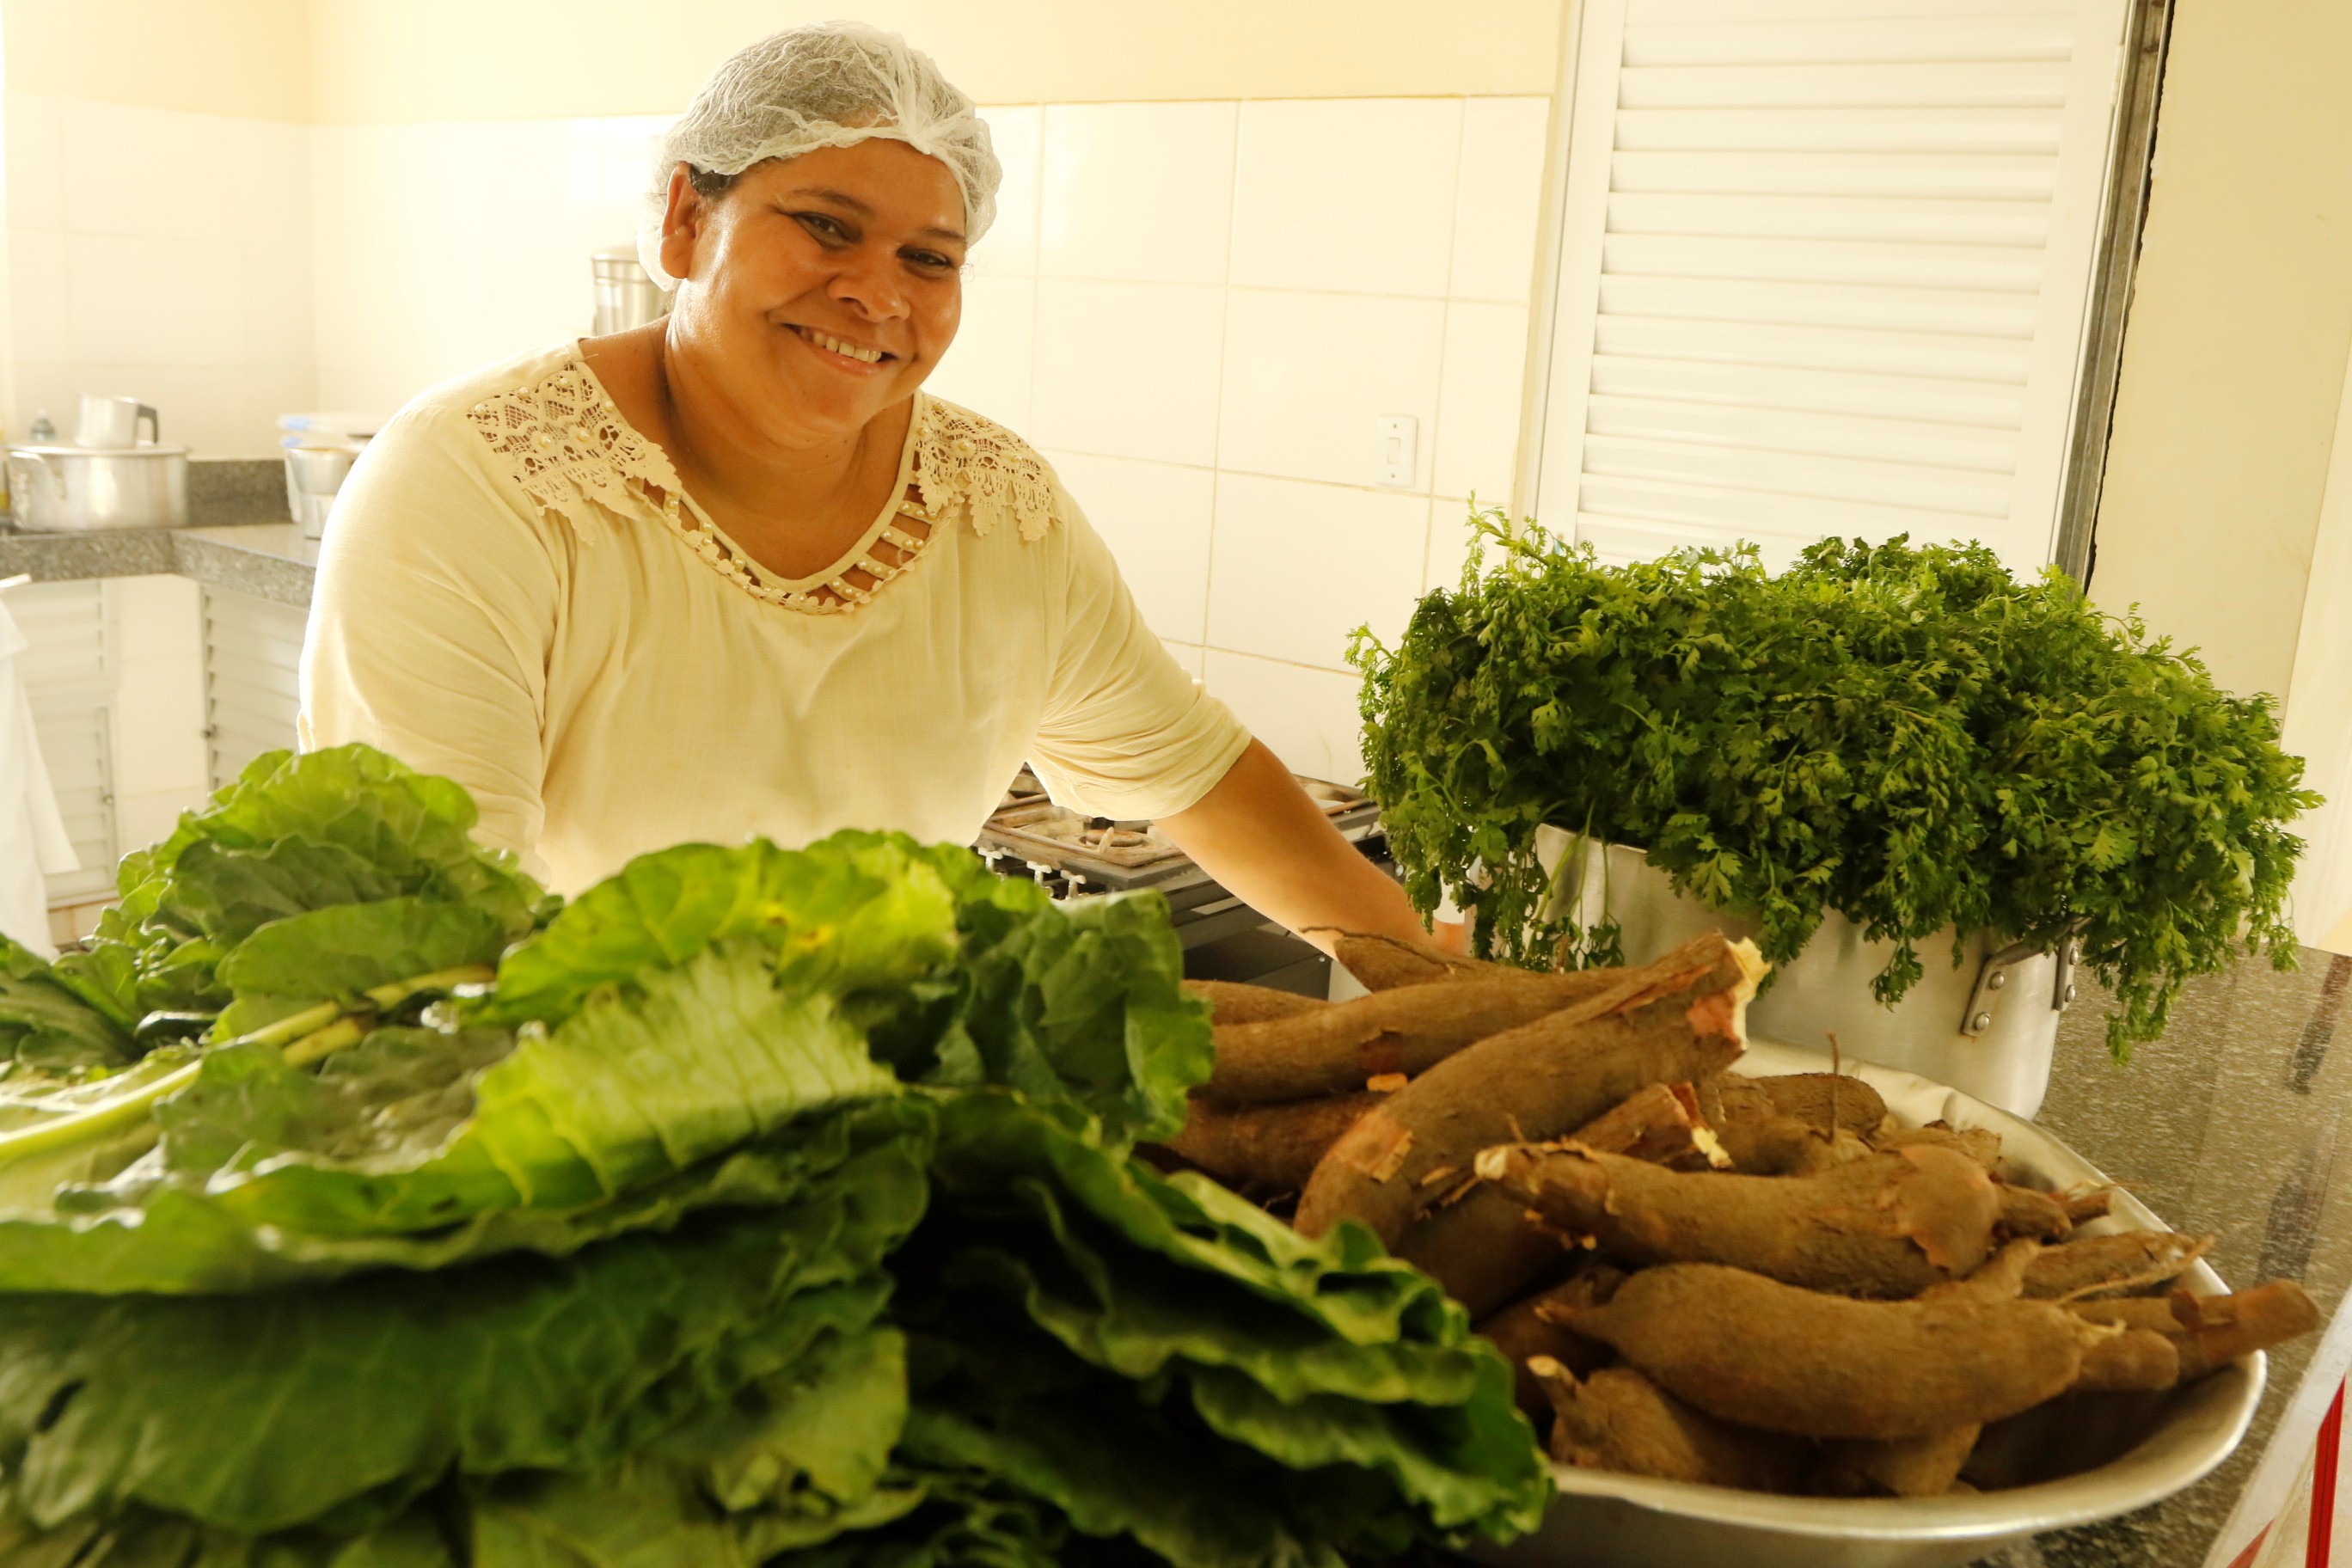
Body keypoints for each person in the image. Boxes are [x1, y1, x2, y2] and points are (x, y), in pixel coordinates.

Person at [301, 21, 1429, 952]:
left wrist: (1417, 969)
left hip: (869, 1120)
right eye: (826, 227)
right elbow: (439, 926)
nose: (876, 295)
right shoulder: (483, 484)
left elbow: (1191, 767)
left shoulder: (999, 515)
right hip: (551, 1127)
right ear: (687, 220)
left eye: (929, 258)